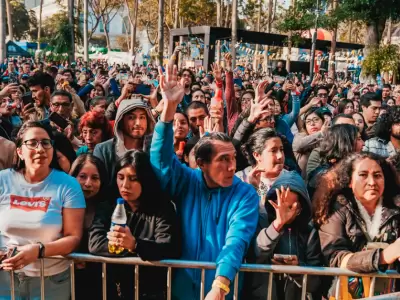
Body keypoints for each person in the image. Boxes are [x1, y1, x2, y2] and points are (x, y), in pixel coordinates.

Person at [150, 65, 259, 300]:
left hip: (222, 292)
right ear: (201, 163)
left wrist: (220, 287)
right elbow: (160, 161)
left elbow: (236, 241)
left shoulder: (246, 195)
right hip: (182, 290)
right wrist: (168, 109)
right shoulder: (187, 181)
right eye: (223, 160)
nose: (232, 167)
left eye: (234, 159)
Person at [0, 121, 85, 299]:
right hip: (5, 278)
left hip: (50, 280)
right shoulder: (3, 180)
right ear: (19, 151)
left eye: (46, 143)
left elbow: (73, 237)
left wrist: (39, 251)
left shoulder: (68, 185)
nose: (40, 149)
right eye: (32, 143)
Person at [89, 150, 179, 300]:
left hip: (150, 292)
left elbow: (167, 247)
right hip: (114, 290)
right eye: (120, 177)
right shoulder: (108, 206)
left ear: (144, 180)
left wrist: (135, 245)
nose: (125, 185)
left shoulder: (162, 208)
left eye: (133, 179)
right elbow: (95, 243)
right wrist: (131, 249)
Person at [314, 153, 400, 298]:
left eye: (378, 175)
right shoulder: (336, 210)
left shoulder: (396, 211)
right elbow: (336, 258)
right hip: (346, 294)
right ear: (349, 181)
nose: (372, 182)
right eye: (363, 175)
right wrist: (383, 256)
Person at [243, 171, 323, 300]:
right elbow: (255, 254)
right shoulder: (261, 221)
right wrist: (277, 225)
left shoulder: (309, 233)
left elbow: (315, 282)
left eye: (290, 207)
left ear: (300, 208)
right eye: (281, 205)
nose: (285, 212)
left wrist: (298, 269)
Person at [94, 98, 155, 202]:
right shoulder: (103, 150)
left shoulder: (154, 150)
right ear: (121, 121)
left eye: (142, 117)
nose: (138, 123)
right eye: (131, 118)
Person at [69, 154, 106, 300]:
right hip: (64, 282)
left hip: (98, 284)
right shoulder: (60, 207)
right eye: (82, 176)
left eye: (95, 178)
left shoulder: (109, 210)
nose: (88, 183)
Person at [293, 107, 328, 178]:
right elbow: (299, 145)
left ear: (323, 122)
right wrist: (320, 133)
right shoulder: (300, 136)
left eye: (316, 120)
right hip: (304, 182)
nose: (312, 123)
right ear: (305, 126)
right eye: (308, 121)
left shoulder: (328, 137)